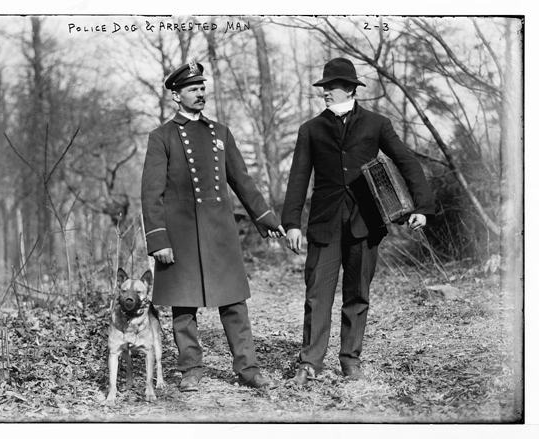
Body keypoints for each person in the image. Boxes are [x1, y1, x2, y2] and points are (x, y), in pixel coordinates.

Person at [282, 57, 435, 385]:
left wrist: (422, 206)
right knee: (317, 295)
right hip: (324, 224)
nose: (325, 92)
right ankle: (309, 363)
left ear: (350, 89)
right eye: (323, 87)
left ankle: (350, 360)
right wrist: (292, 222)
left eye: (331, 87)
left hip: (366, 223)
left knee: (357, 294)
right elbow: (297, 177)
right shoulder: (310, 129)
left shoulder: (377, 124)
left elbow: (406, 160)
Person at [141, 60, 286, 392]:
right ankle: (190, 368)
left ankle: (248, 369)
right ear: (176, 96)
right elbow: (150, 193)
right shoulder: (161, 137)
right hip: (181, 235)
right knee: (184, 305)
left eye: (202, 87)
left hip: (220, 233)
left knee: (235, 303)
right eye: (193, 89)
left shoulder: (220, 132)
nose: (200, 93)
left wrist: (266, 219)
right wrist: (158, 239)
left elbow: (243, 182)